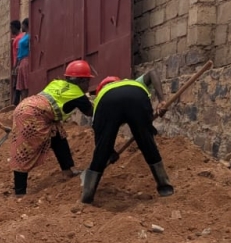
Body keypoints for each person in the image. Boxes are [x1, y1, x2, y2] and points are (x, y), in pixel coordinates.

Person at [80, 71, 174, 204]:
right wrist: (162, 101)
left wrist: (109, 152)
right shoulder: (133, 82)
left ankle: (88, 194)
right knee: (146, 141)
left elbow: (100, 136)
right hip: (136, 96)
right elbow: (153, 73)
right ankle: (164, 185)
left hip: (108, 102)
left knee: (101, 150)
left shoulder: (100, 97)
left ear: (100, 89)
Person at [10, 59, 94, 197]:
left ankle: (68, 169)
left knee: (57, 134)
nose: (88, 85)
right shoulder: (78, 94)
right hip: (34, 115)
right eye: (87, 82)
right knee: (24, 149)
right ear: (82, 81)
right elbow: (90, 112)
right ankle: (20, 192)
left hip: (25, 107)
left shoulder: (57, 82)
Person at [13, 18, 30, 102]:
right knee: (22, 86)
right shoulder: (24, 35)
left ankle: (26, 102)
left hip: (26, 60)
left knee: (26, 85)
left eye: (22, 24)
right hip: (21, 61)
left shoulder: (29, 36)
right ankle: (24, 103)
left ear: (25, 25)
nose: (21, 26)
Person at [9, 19, 22, 104]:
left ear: (14, 28)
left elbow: (18, 53)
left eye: (11, 28)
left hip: (18, 65)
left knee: (16, 86)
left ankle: (15, 105)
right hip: (18, 65)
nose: (10, 30)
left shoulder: (18, 39)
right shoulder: (18, 38)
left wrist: (15, 66)